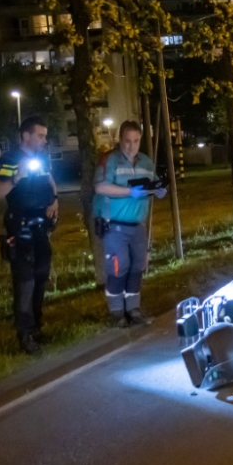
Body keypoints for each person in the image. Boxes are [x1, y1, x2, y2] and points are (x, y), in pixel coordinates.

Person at [0, 116, 58, 354]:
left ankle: (37, 328)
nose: (44, 140)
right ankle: (25, 333)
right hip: (20, 226)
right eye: (40, 135)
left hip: (41, 226)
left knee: (40, 276)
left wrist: (55, 200)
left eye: (45, 136)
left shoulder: (41, 159)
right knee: (25, 280)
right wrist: (15, 177)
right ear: (25, 136)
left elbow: (50, 181)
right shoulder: (9, 160)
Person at [94, 120, 167, 327]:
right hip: (114, 223)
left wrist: (159, 190)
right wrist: (129, 192)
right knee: (119, 266)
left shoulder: (145, 162)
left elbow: (152, 184)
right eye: (127, 141)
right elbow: (101, 187)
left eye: (136, 141)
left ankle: (133, 309)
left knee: (138, 265)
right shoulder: (109, 160)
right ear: (120, 139)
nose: (131, 146)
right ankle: (117, 312)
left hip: (137, 224)